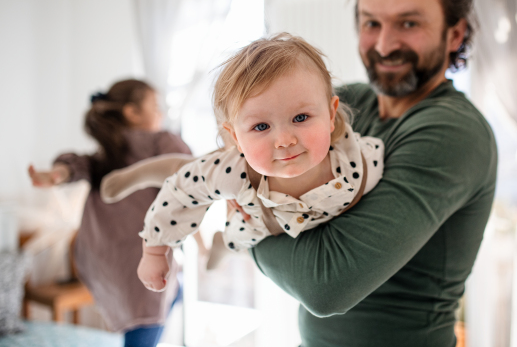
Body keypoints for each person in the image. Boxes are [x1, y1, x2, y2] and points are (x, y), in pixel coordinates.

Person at [245, 0, 498, 346]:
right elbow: (241, 157)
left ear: (455, 34)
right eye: (371, 23)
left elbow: (325, 286)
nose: (383, 45)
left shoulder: (452, 130)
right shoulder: (348, 105)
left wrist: (245, 224)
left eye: (408, 23)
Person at [100, 34, 385, 291]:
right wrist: (155, 251)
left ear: (331, 114)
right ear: (235, 137)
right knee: (188, 173)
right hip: (248, 203)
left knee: (234, 240)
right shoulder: (234, 171)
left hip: (249, 230)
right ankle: (139, 174)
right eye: (261, 126)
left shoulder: (359, 163)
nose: (284, 140)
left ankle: (221, 246)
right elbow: (180, 193)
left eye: (301, 118)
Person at [28, 79, 191, 347]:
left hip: (104, 253)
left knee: (165, 300)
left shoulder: (106, 154)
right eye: (155, 106)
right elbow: (189, 171)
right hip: (138, 251)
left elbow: (75, 166)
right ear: (132, 112)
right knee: (146, 318)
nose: (161, 113)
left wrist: (57, 174)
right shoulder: (159, 141)